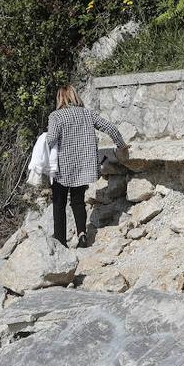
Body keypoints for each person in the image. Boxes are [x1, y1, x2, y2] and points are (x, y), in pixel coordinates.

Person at [44, 84, 128, 248]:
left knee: (59, 204)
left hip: (62, 168)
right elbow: (108, 127)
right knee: (78, 201)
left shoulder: (56, 116)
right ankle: (82, 234)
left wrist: (42, 145)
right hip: (84, 166)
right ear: (75, 96)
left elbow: (51, 139)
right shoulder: (87, 113)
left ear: (60, 98)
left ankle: (61, 243)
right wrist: (121, 145)